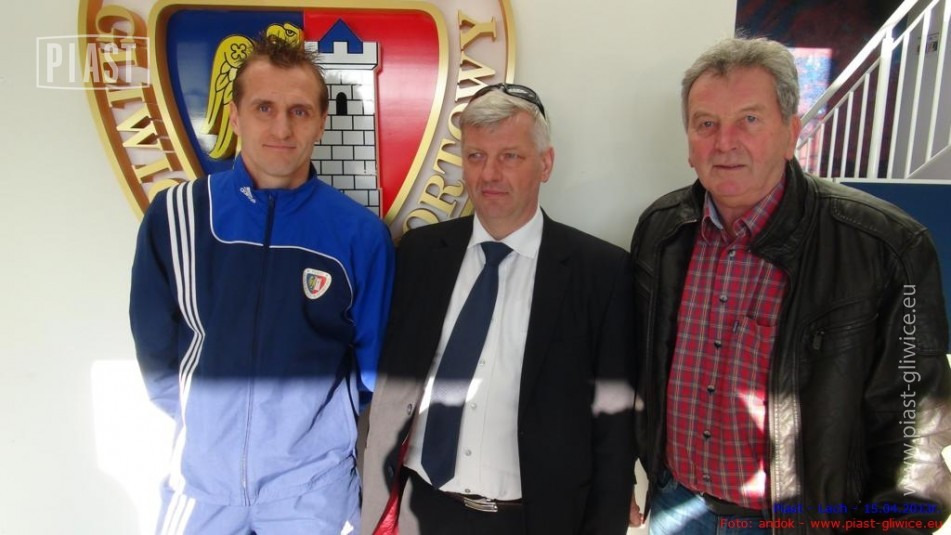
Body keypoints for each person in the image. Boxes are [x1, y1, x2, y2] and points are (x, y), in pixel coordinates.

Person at [629, 37, 951, 534]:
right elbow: (635, 370)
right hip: (676, 507)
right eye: (706, 123)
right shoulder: (661, 230)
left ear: (791, 133)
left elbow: (919, 433)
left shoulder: (886, 246)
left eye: (749, 119)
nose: (725, 142)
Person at [129, 35, 394, 535]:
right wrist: (210, 432)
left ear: (321, 121)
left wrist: (311, 439)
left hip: (313, 491)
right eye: (264, 107)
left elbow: (371, 372)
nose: (281, 128)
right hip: (201, 487)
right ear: (234, 116)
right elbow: (155, 351)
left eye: (299, 111)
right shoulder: (177, 215)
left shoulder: (360, 236)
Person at [360, 84, 637, 535]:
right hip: (420, 509)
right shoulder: (419, 254)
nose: (489, 174)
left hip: (533, 520)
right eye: (476, 156)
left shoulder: (600, 272)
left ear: (545, 164)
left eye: (510, 156)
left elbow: (613, 423)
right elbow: (390, 388)